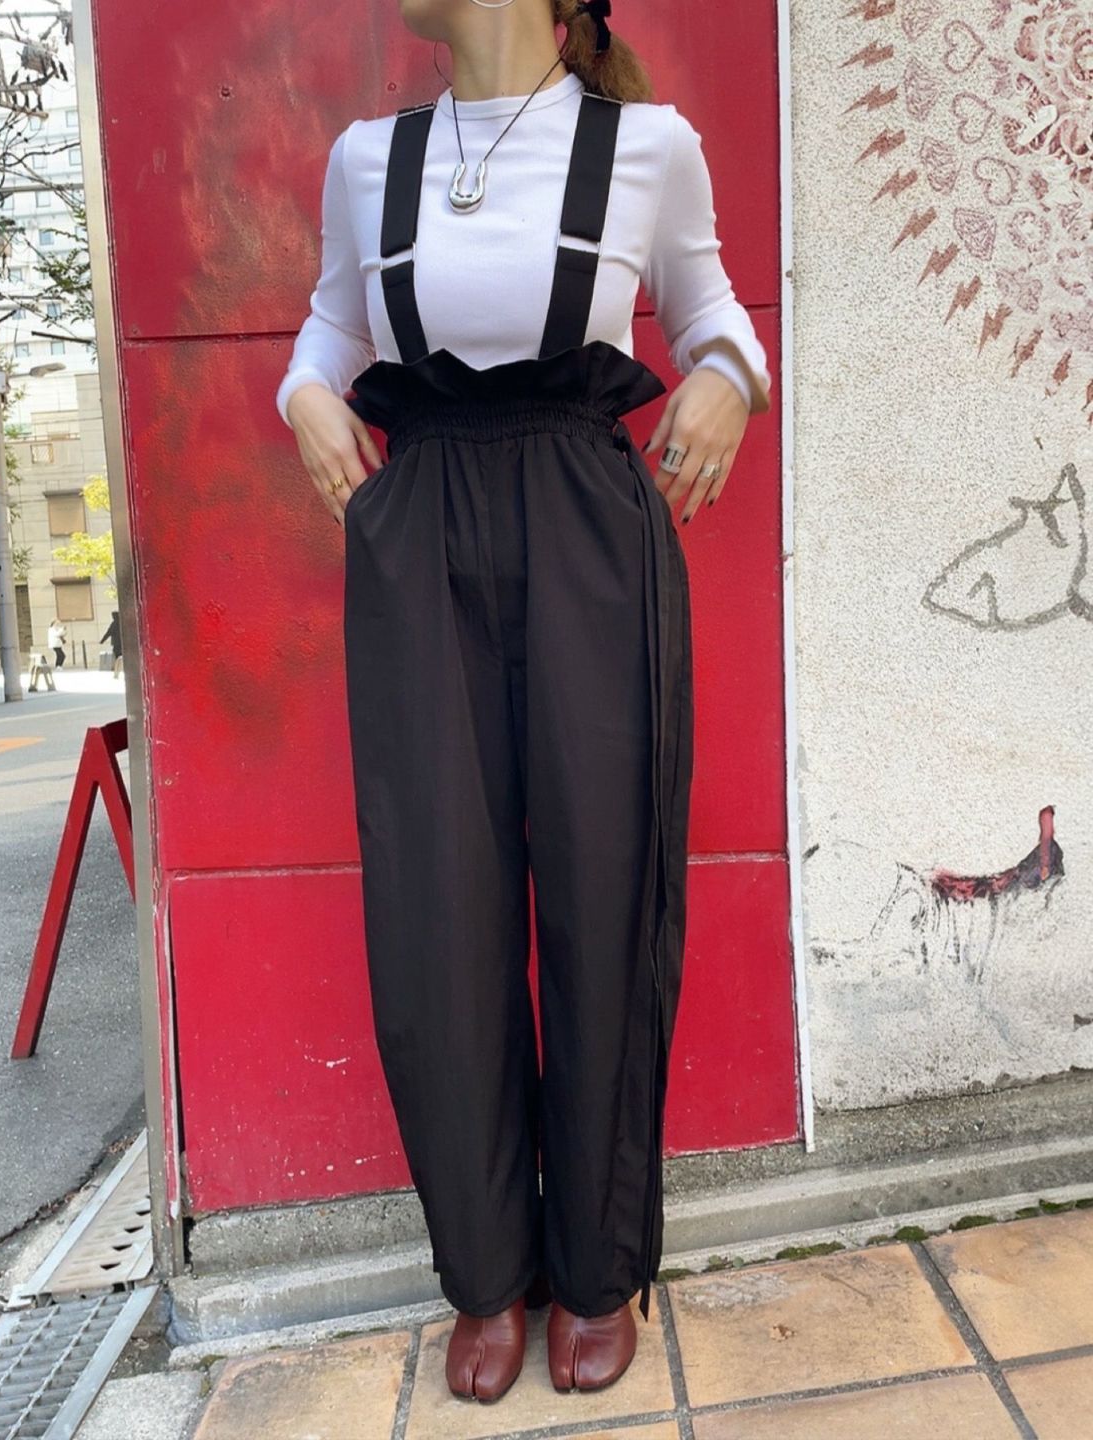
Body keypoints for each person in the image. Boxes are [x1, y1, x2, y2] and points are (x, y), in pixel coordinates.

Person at [277, 0, 771, 1405]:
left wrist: (730, 380)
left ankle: (598, 1266)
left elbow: (716, 316)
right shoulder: (369, 158)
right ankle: (487, 1271)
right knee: (437, 905)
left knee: (607, 891)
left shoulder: (648, 147)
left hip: (586, 527)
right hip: (420, 529)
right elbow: (330, 325)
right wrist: (302, 395)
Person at [100, 609, 123, 678]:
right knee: (121, 658)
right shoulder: (122, 623)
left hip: (116, 644)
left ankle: (116, 673)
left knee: (117, 658)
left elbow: (108, 633)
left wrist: (102, 641)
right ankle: (118, 671)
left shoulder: (114, 624)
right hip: (122, 644)